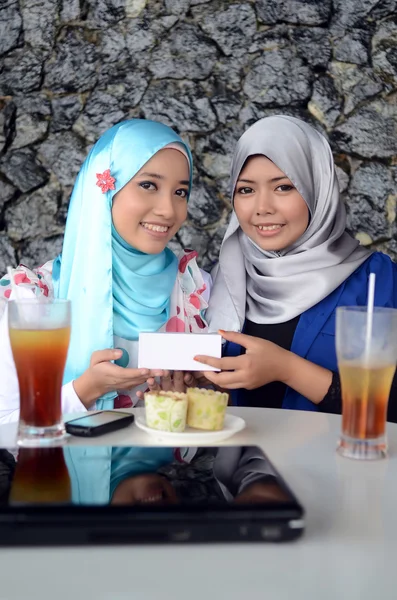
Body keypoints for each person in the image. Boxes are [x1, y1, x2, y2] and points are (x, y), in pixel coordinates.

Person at [0, 119, 211, 424]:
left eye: (180, 192)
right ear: (103, 190)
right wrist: (84, 390)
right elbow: (4, 427)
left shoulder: (192, 291)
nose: (168, 209)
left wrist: (189, 402)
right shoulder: (31, 300)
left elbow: (202, 438)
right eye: (148, 185)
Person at [196, 115, 397, 419]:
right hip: (243, 465)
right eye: (246, 190)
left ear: (318, 188)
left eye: (283, 187)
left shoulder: (376, 280)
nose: (263, 207)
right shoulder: (225, 278)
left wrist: (287, 369)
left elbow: (390, 406)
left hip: (338, 465)